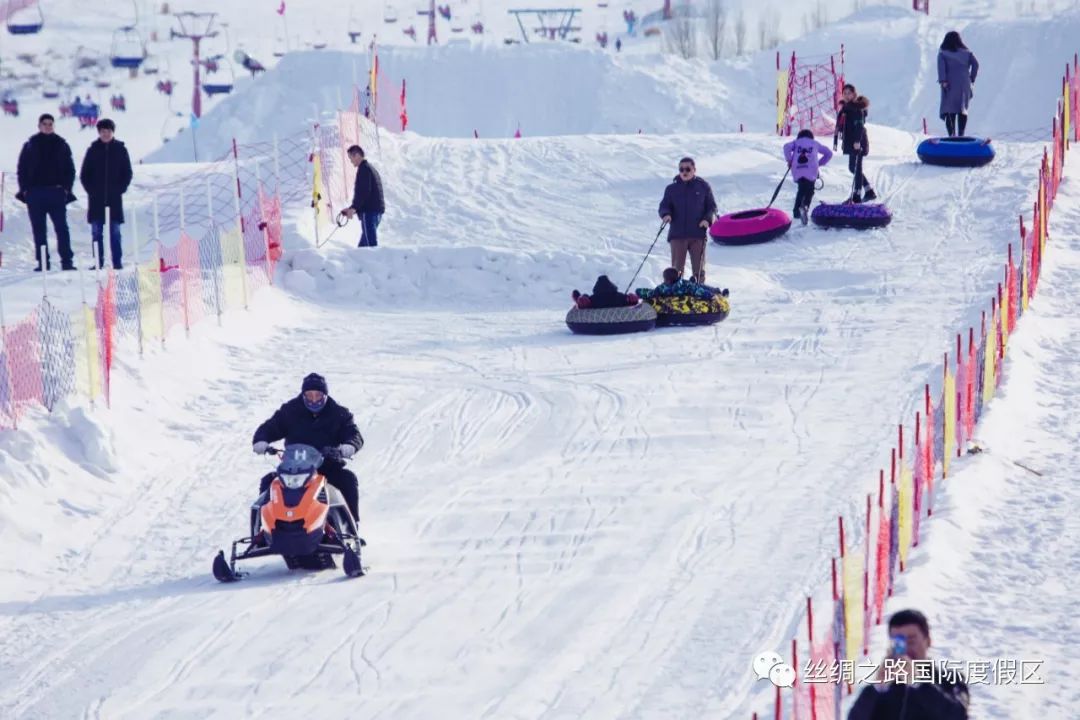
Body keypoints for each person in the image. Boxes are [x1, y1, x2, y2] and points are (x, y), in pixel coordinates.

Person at [252, 373, 364, 522]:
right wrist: (261, 440)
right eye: (309, 395)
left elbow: (353, 433)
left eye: (318, 395)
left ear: (325, 394)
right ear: (303, 394)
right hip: (293, 470)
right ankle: (261, 531)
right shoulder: (290, 411)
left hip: (327, 468)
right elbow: (271, 426)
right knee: (269, 482)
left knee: (347, 479)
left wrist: (349, 445)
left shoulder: (339, 413)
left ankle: (351, 529)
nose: (313, 399)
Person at [847, 609, 970, 720]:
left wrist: (919, 683)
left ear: (928, 641)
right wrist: (876, 688)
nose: (906, 649)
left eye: (911, 641)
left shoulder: (950, 679)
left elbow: (958, 715)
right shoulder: (884, 689)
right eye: (898, 643)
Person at [16, 113, 76, 271]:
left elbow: (70, 169)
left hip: (56, 192)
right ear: (39, 126)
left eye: (50, 124)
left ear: (54, 126)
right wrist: (26, 190)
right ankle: (43, 263)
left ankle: (67, 262)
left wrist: (65, 189)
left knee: (62, 228)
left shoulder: (61, 144)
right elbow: (21, 169)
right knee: (39, 229)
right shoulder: (30, 144)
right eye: (45, 123)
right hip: (35, 194)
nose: (48, 126)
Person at [79, 118, 133, 270]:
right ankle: (98, 262)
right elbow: (84, 174)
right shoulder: (92, 150)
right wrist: (92, 191)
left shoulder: (121, 149)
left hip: (114, 199)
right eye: (103, 131)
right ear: (99, 132)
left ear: (112, 132)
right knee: (96, 233)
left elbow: (127, 173)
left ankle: (117, 262)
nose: (105, 134)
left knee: (115, 232)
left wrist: (120, 189)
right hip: (96, 200)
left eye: (108, 131)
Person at [658, 157, 717, 283]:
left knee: (699, 270)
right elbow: (664, 206)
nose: (684, 172)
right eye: (681, 169)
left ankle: (699, 294)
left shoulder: (703, 187)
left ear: (694, 170)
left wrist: (707, 220)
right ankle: (675, 296)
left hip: (697, 234)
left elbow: (711, 207)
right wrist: (666, 214)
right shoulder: (671, 189)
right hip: (677, 235)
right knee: (676, 271)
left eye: (688, 169)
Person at [834, 84, 877, 204]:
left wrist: (857, 141)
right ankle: (869, 191)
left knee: (856, 168)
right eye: (845, 93)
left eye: (849, 93)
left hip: (858, 142)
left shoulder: (856, 108)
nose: (847, 96)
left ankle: (856, 195)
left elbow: (859, 125)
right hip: (851, 141)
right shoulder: (847, 108)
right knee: (853, 167)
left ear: (854, 94)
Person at [784, 128, 833, 225]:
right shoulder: (815, 143)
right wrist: (819, 163)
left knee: (801, 188)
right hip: (811, 169)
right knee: (810, 190)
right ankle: (805, 207)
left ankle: (797, 212)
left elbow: (786, 147)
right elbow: (829, 153)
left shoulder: (796, 142)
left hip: (797, 168)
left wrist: (789, 160)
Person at [342, 145, 385, 248]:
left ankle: (374, 263)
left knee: (370, 247)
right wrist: (352, 208)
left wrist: (353, 208)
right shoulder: (370, 168)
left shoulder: (364, 169)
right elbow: (367, 193)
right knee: (362, 248)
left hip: (369, 212)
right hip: (375, 211)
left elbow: (363, 192)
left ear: (356, 155)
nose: (351, 161)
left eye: (350, 158)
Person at [938, 31, 979, 137]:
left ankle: (952, 135)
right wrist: (971, 78)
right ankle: (961, 135)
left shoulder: (943, 53)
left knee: (949, 109)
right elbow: (976, 64)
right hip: (964, 84)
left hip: (950, 84)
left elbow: (941, 68)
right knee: (962, 109)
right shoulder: (967, 53)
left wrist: (943, 81)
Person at [571, 274, 637, 309]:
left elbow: (586, 305)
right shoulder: (620, 297)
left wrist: (583, 298)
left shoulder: (593, 299)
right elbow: (631, 304)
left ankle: (580, 298)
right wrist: (632, 299)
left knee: (584, 299)